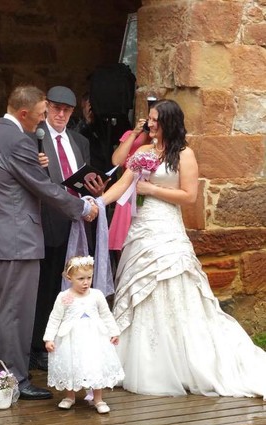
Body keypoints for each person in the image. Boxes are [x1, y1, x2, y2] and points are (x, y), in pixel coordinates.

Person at [102, 99, 266, 399]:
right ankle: (136, 358)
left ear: (169, 123)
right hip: (142, 229)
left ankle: (181, 361)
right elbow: (123, 183)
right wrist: (98, 204)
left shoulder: (184, 155)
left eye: (154, 120)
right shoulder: (142, 152)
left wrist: (152, 189)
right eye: (149, 119)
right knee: (138, 287)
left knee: (174, 286)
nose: (149, 124)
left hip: (167, 228)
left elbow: (189, 197)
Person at [0, 85, 98, 400]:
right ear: (23, 113)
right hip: (20, 239)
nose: (44, 119)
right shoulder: (18, 140)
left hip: (3, 236)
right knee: (15, 313)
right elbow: (44, 188)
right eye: (41, 114)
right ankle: (14, 379)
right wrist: (83, 207)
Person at [30, 86, 103, 371]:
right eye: (56, 108)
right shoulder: (34, 138)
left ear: (73, 112)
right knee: (46, 287)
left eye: (67, 110)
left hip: (77, 224)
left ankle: (69, 342)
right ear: (47, 106)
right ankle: (38, 346)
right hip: (48, 223)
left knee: (75, 287)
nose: (61, 114)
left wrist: (96, 188)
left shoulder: (79, 141)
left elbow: (83, 179)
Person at [43, 255, 124, 413]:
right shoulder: (64, 297)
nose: (86, 282)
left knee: (95, 365)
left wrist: (114, 332)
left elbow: (106, 315)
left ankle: (98, 398)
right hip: (71, 338)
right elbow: (55, 318)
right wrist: (49, 338)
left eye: (89, 278)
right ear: (69, 277)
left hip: (94, 337)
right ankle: (70, 396)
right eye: (80, 278)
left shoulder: (97, 295)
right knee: (71, 365)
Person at [109, 118, 150, 256]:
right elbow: (116, 161)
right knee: (123, 244)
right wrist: (134, 134)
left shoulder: (161, 140)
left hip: (148, 190)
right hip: (128, 190)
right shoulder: (131, 134)